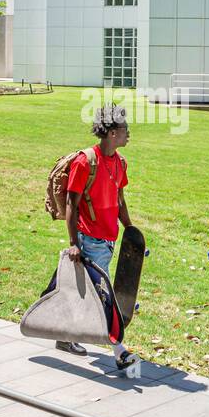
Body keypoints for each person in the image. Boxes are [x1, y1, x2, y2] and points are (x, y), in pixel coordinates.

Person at [58, 104, 138, 371]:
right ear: (113, 132)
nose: (129, 134)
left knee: (78, 288)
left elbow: (119, 199)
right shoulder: (85, 162)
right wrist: (73, 244)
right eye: (126, 130)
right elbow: (72, 204)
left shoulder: (120, 163)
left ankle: (62, 334)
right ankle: (119, 350)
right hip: (89, 239)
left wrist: (129, 229)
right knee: (103, 295)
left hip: (109, 240)